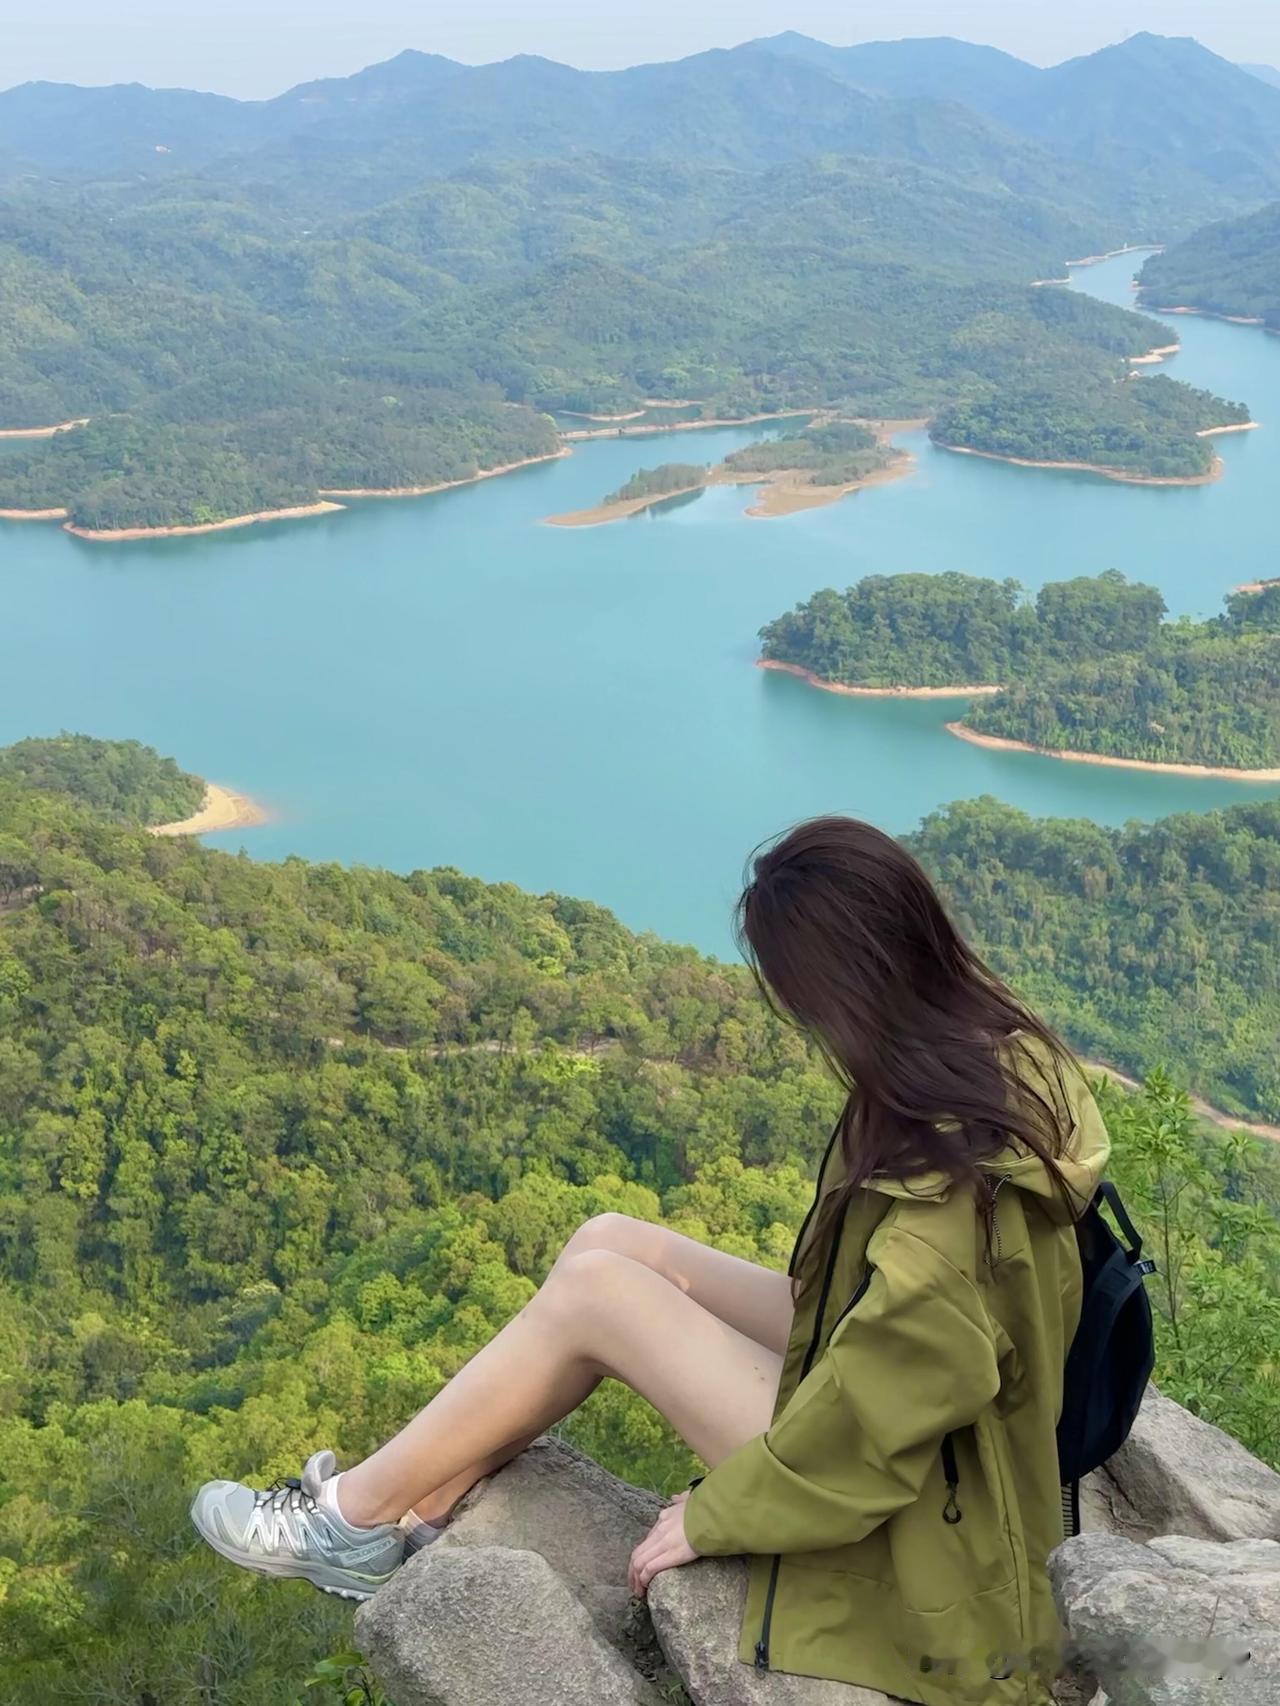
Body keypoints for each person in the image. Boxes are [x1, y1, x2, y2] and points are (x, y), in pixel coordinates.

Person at [191, 816, 1108, 1706]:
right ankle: (424, 1499)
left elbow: (884, 1415)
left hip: (924, 1502)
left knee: (598, 1296)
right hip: (911, 1391)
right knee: (611, 1240)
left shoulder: (947, 1177)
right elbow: (902, 1329)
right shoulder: (992, 1046)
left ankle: (345, 1524)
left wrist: (719, 1514)